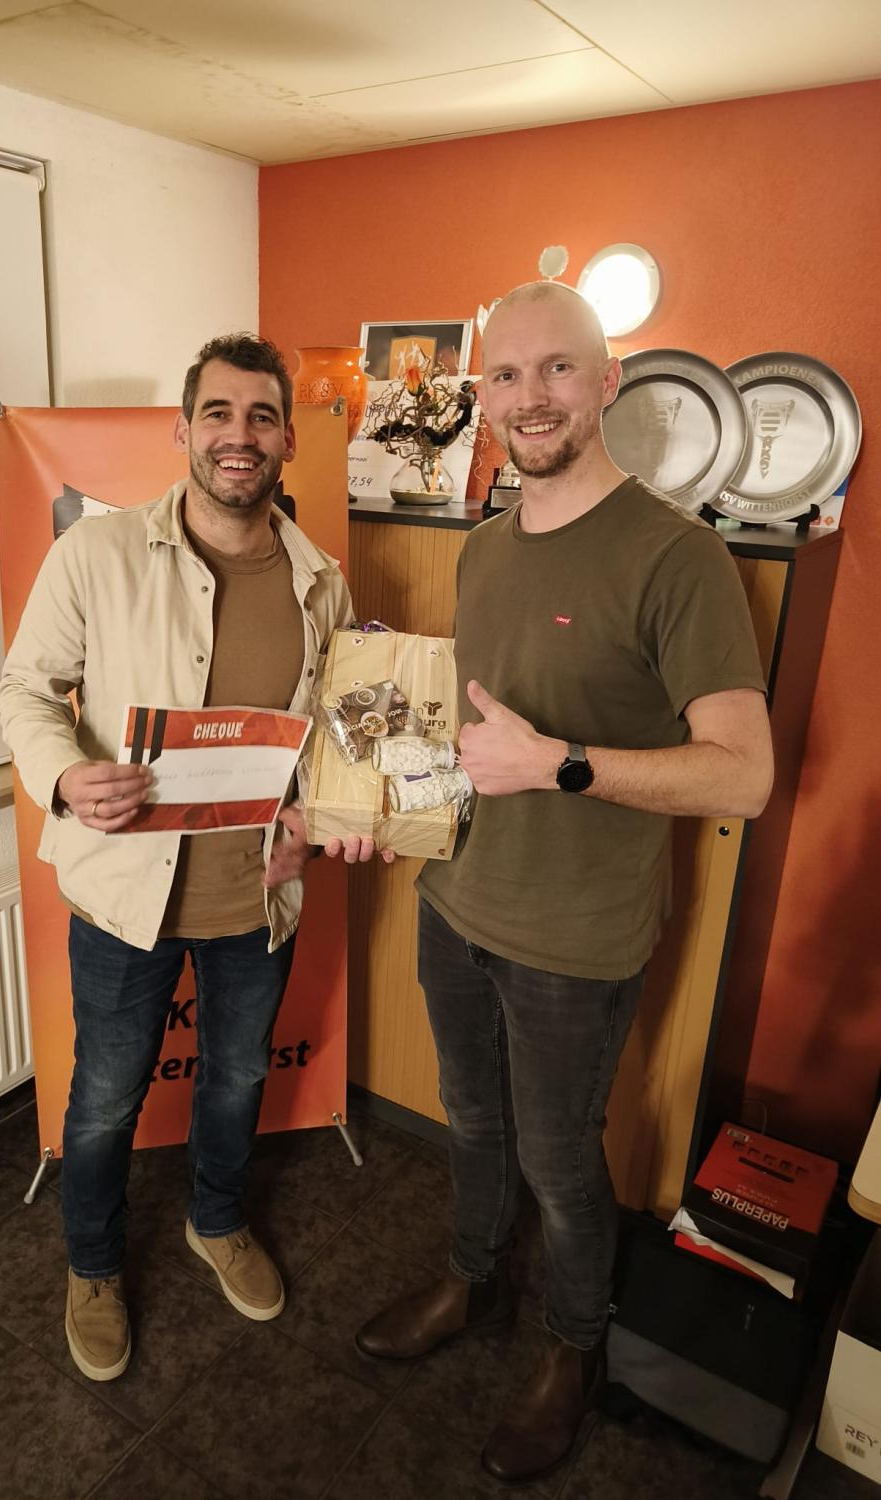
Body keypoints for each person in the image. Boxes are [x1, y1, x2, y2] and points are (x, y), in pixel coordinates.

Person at [349, 283, 773, 1483]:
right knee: (471, 1122)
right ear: (479, 396)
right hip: (456, 902)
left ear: (608, 383)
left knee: (559, 1161)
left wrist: (564, 765)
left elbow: (743, 776)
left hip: (576, 941)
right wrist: (384, 783)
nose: (529, 397)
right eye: (505, 375)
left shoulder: (680, 555)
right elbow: (484, 727)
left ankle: (570, 1350)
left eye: (557, 370)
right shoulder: (486, 545)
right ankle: (471, 1282)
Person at [0, 333, 356, 1383]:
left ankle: (216, 1219)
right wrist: (66, 776)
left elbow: (329, 738)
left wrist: (314, 818)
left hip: (257, 899)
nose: (238, 436)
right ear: (183, 429)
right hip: (124, 897)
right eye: (218, 413)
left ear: (287, 439)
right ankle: (93, 1266)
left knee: (235, 1080)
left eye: (260, 416)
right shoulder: (96, 555)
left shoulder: (321, 582)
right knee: (105, 1101)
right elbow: (26, 690)